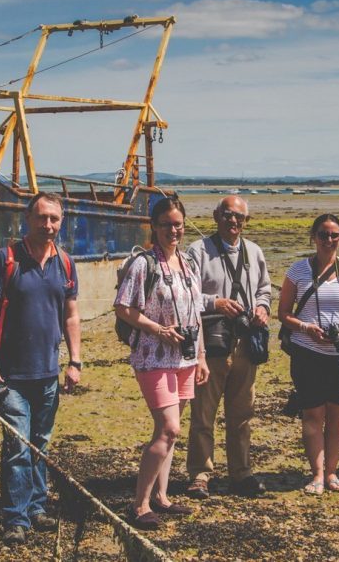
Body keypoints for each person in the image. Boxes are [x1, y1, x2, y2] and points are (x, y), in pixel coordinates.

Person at [0, 192, 83, 546]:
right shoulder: (6, 259)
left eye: (54, 218)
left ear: (61, 222)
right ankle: (16, 518)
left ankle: (37, 507)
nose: (47, 225)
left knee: (40, 444)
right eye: (41, 217)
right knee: (18, 447)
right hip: (10, 377)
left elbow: (71, 316)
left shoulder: (65, 263)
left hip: (48, 375)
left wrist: (75, 361)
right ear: (28, 219)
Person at [114, 197, 210, 530]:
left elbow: (197, 314)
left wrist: (201, 356)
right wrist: (158, 330)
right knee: (169, 429)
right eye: (167, 224)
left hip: (184, 358)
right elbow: (124, 307)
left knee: (168, 433)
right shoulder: (144, 264)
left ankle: (161, 497)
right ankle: (139, 504)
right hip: (153, 356)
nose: (174, 230)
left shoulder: (188, 263)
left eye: (178, 224)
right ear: (154, 226)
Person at [185, 196, 272, 499]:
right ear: (216, 216)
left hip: (246, 344)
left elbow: (264, 289)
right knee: (203, 414)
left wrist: (262, 308)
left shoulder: (255, 252)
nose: (232, 221)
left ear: (246, 221)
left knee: (242, 414)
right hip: (211, 344)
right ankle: (200, 474)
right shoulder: (198, 251)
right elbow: (187, 295)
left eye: (239, 217)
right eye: (227, 214)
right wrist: (216, 303)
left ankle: (241, 473)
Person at [277, 214, 339, 494]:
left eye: (334, 235)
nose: (328, 240)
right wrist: (306, 327)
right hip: (308, 352)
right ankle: (317, 475)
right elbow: (283, 313)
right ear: (313, 237)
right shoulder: (298, 270)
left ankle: (331, 473)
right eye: (323, 234)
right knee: (313, 413)